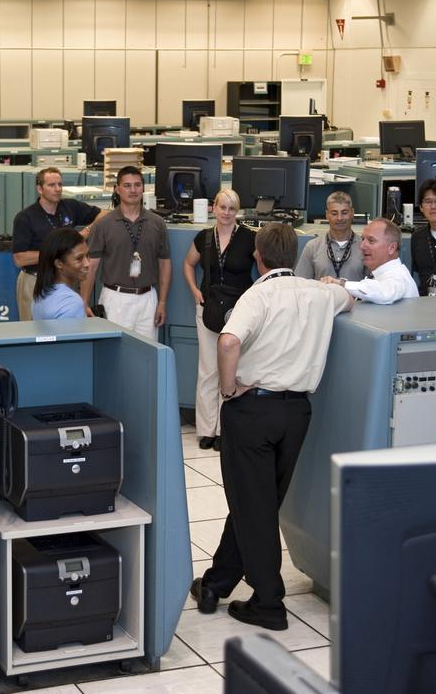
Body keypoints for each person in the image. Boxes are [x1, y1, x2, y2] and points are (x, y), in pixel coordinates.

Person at [191, 224, 354, 631]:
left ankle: (269, 601)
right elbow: (349, 299)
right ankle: (217, 582)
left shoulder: (257, 295)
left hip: (253, 412)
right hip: (296, 413)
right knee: (257, 502)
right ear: (295, 253)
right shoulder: (320, 294)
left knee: (255, 506)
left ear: (258, 257)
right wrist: (332, 282)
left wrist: (229, 389)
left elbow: (228, 341)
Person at [181, 189, 256, 451]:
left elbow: (265, 268)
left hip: (238, 312)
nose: (226, 213)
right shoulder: (204, 237)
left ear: (238, 212)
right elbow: (188, 264)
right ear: (213, 208)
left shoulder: (249, 238)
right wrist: (194, 290)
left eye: (232, 209)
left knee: (232, 370)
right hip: (208, 308)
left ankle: (226, 430)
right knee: (208, 370)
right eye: (222, 207)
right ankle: (207, 429)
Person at [80, 166, 170, 340]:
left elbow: (165, 264)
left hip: (148, 299)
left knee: (148, 357)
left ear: (143, 188)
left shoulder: (157, 223)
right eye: (127, 185)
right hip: (115, 299)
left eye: (137, 185)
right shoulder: (103, 224)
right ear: (117, 189)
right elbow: (90, 267)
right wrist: (83, 302)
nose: (133, 190)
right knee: (116, 355)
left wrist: (162, 302)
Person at [11, 166, 105, 320]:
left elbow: (104, 214)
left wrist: (87, 230)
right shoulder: (25, 218)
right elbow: (19, 258)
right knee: (32, 329)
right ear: (40, 189)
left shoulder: (70, 207)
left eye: (60, 184)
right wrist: (58, 252)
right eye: (52, 185)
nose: (58, 189)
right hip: (35, 279)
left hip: (64, 279)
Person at [322, 218, 419, 304]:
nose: (362, 246)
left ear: (392, 248)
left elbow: (384, 292)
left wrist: (342, 284)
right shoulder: (379, 275)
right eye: (363, 239)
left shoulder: (399, 277)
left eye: (371, 241)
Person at [294, 191, 364, 282]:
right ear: (327, 214)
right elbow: (300, 284)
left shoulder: (365, 247)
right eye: (334, 213)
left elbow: (372, 288)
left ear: (352, 213)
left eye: (344, 212)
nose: (339, 218)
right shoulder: (313, 247)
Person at [31, 228, 90, 320]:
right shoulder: (72, 302)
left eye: (87, 255)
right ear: (59, 264)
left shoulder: (41, 294)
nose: (87, 264)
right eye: (79, 258)